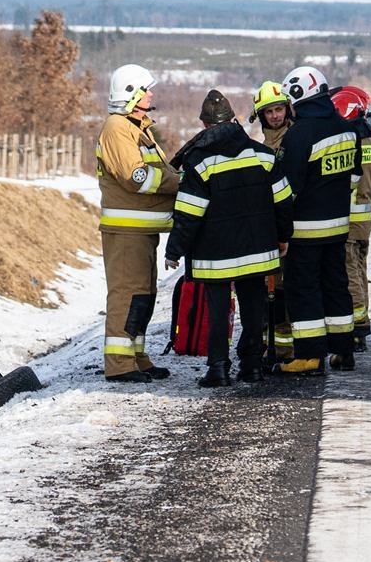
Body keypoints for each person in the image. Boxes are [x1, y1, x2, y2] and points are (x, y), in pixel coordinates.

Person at [167, 88, 293, 387]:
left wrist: (174, 250)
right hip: (258, 251)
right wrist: (283, 236)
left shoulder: (198, 161)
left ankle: (218, 368)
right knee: (254, 309)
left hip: (216, 256)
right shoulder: (263, 155)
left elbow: (189, 212)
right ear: (234, 120)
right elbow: (283, 201)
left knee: (218, 310)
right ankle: (252, 366)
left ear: (205, 124)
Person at [94, 62, 178, 382]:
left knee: (143, 294)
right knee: (127, 294)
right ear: (131, 93)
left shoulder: (136, 128)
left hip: (141, 231)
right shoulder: (117, 128)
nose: (151, 95)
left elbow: (159, 170)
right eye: (146, 90)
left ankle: (137, 357)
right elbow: (136, 176)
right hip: (126, 232)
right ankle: (119, 364)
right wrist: (180, 183)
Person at [274, 65, 358, 375]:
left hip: (306, 230)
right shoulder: (347, 128)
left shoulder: (299, 134)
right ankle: (343, 350)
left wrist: (280, 229)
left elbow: (288, 191)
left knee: (304, 289)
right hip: (338, 227)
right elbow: (353, 178)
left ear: (298, 96)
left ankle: (309, 356)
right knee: (336, 285)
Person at [333, 86, 371, 349]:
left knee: (349, 275)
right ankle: (361, 325)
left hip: (347, 225)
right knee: (360, 274)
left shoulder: (348, 143)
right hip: (363, 224)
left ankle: (356, 329)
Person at [249, 79, 296, 360]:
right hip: (270, 229)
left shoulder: (294, 140)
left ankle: (285, 347)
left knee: (284, 290)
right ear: (261, 116)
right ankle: (270, 346)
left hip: (289, 230)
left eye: (279, 109)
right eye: (269, 111)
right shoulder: (263, 146)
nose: (275, 116)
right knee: (270, 289)